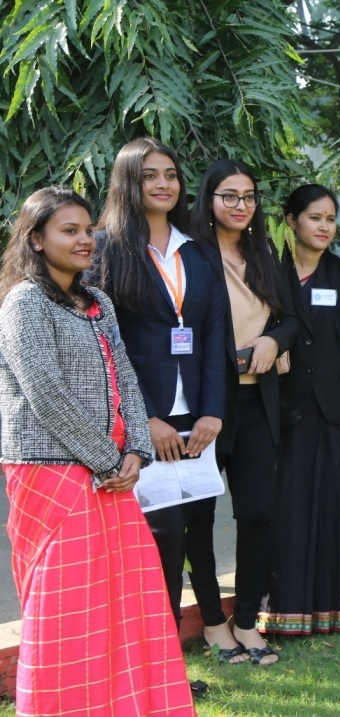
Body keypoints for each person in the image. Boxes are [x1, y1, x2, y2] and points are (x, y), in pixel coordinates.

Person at [0, 187, 195, 714]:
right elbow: (45, 393)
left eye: (87, 229)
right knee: (66, 603)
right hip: (51, 469)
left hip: (111, 472)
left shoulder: (98, 301)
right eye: (69, 231)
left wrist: (136, 449)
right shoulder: (24, 302)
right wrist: (109, 459)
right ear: (35, 240)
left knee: (125, 597)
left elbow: (126, 378)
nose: (85, 239)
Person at [93, 137, 241, 667]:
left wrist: (213, 411)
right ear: (127, 182)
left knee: (197, 528)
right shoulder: (105, 249)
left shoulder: (197, 249)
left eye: (171, 174)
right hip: (141, 421)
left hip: (196, 419)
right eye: (149, 175)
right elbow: (103, 346)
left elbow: (215, 332)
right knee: (163, 538)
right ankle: (156, 657)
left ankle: (176, 654)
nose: (163, 184)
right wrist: (143, 420)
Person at [256, 184, 340, 635]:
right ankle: (281, 609)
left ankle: (335, 609)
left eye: (330, 219)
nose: (324, 226)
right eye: (315, 217)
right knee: (285, 510)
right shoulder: (267, 274)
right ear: (292, 221)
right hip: (282, 412)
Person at [191, 158, 298, 663]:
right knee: (199, 518)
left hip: (259, 400)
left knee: (258, 513)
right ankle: (214, 622)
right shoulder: (190, 252)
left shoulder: (263, 250)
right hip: (206, 405)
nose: (240, 205)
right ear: (209, 199)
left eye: (249, 196)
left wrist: (274, 340)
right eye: (229, 195)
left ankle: (247, 619)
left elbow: (292, 317)